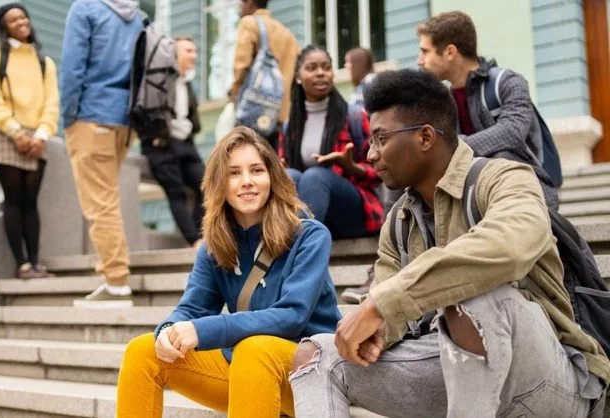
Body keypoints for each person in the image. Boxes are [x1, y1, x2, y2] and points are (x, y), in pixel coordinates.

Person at [289, 69, 609, 417]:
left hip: (549, 379)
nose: (370, 155)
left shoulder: (504, 179)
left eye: (381, 139)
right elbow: (387, 309)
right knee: (317, 355)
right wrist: (376, 329)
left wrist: (382, 303)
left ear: (426, 137)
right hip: (449, 369)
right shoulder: (399, 221)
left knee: (475, 297)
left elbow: (510, 246)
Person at [116, 127, 341, 418]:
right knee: (142, 352)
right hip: (247, 370)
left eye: (256, 170)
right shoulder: (215, 247)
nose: (246, 182)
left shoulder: (309, 236)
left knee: (253, 350)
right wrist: (168, 331)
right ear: (219, 182)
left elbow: (292, 316)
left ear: (272, 176)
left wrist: (205, 330)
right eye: (234, 173)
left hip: (307, 368)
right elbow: (193, 307)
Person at [416, 11, 559, 209]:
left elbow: (512, 131)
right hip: (474, 196)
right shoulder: (443, 102)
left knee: (499, 160)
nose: (419, 61)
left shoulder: (508, 82)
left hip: (529, 190)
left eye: (425, 51)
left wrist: (455, 147)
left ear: (450, 52)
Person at [60, 0, 143, 306]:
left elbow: (72, 67)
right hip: (124, 120)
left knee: (101, 203)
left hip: (91, 114)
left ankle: (116, 281)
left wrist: (68, 117)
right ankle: (114, 277)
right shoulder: (137, 17)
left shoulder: (85, 10)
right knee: (107, 198)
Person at [0, 3, 59, 279]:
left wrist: (42, 135)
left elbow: (52, 102)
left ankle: (36, 263)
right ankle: (21, 263)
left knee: (30, 201)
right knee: (13, 199)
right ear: (3, 27)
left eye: (23, 16)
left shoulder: (43, 61)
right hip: (5, 134)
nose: (22, 21)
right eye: (14, 20)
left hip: (36, 137)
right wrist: (16, 132)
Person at [282, 45, 383, 240]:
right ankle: (289, 245)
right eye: (312, 68)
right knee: (289, 175)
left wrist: (351, 167)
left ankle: (299, 252)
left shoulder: (354, 116)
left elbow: (381, 172)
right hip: (316, 213)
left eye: (326, 67)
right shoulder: (290, 126)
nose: (320, 73)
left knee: (315, 177)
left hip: (351, 214)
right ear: (298, 77)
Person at [140, 36, 204, 248]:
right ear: (174, 54)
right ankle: (194, 241)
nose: (193, 55)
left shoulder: (187, 82)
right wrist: (155, 134)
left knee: (208, 186)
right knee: (175, 192)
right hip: (161, 143)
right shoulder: (159, 77)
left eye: (194, 50)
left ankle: (202, 235)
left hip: (185, 142)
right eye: (188, 50)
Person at [228, 0, 300, 150]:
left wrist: (234, 93)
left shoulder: (249, 23)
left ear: (250, 3)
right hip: (280, 115)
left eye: (241, 3)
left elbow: (242, 65)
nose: (239, 7)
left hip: (253, 112)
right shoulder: (287, 34)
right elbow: (296, 76)